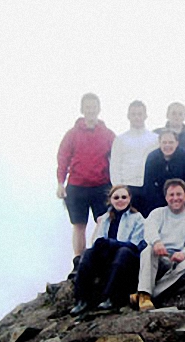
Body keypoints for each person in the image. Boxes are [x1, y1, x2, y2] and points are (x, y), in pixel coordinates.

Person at [56, 93, 115, 276]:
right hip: (77, 185)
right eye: (87, 107)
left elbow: (117, 158)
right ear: (82, 109)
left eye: (94, 106)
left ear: (99, 108)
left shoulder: (108, 134)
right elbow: (63, 158)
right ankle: (79, 261)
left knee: (103, 222)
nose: (91, 110)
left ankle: (96, 257)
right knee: (79, 225)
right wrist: (60, 183)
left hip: (101, 185)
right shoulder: (72, 134)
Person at [70, 185, 145, 315]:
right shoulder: (105, 218)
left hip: (128, 260)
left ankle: (110, 298)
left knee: (123, 252)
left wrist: (112, 243)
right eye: (116, 197)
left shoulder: (137, 218)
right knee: (88, 253)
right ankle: (81, 300)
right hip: (108, 256)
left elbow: (135, 244)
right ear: (110, 199)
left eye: (124, 197)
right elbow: (98, 240)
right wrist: (104, 245)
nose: (120, 200)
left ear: (129, 199)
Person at [135, 179, 185, 310]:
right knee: (148, 250)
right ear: (166, 197)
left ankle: (147, 295)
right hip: (159, 257)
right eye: (171, 195)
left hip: (178, 260)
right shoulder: (157, 213)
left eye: (179, 194)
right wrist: (157, 242)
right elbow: (149, 230)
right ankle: (144, 294)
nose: (175, 198)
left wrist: (184, 253)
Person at [110, 100, 159, 217]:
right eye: (133, 114)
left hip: (148, 188)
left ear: (145, 116)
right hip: (127, 188)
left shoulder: (155, 139)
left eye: (140, 114)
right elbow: (115, 166)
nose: (137, 117)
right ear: (128, 116)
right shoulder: (120, 139)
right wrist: (119, 190)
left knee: (147, 222)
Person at [143, 129, 185, 216]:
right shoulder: (152, 158)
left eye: (171, 142)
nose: (167, 145)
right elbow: (148, 185)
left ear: (177, 143)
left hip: (183, 201)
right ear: (159, 143)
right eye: (164, 142)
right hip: (159, 201)